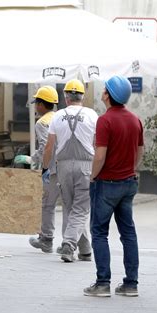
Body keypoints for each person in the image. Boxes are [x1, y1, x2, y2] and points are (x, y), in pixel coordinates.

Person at [83, 76, 143, 297]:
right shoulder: (135, 119)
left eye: (105, 89)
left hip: (107, 184)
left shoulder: (105, 120)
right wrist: (130, 168)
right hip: (128, 183)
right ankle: (131, 285)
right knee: (128, 234)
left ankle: (102, 283)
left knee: (99, 232)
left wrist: (92, 176)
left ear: (108, 94)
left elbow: (100, 155)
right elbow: (140, 152)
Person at [43, 79, 98, 263]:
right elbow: (98, 144)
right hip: (85, 166)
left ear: (65, 97)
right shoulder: (92, 115)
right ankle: (68, 244)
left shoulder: (57, 116)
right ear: (82, 96)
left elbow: (49, 147)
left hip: (63, 166)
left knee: (71, 207)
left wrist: (44, 168)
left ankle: (85, 250)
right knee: (81, 209)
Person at [14, 86, 62, 253]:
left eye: (36, 103)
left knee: (47, 205)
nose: (35, 106)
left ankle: (46, 240)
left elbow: (45, 146)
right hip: (67, 167)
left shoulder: (42, 123)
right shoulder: (60, 118)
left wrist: (32, 159)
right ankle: (79, 245)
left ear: (41, 104)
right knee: (73, 207)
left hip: (52, 169)